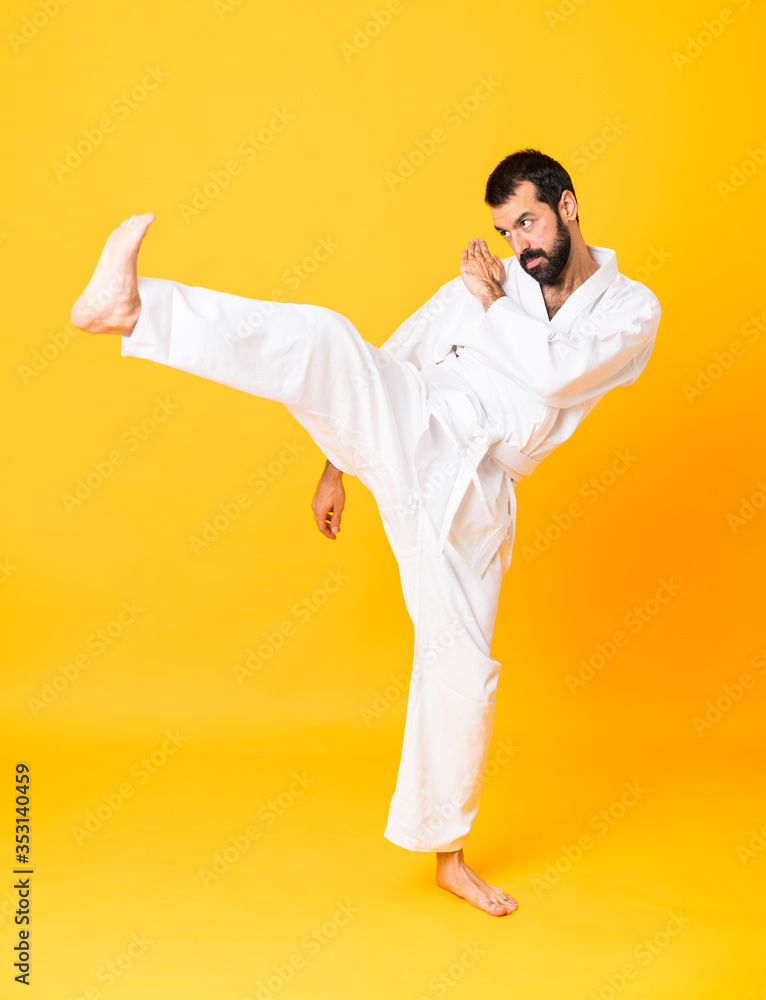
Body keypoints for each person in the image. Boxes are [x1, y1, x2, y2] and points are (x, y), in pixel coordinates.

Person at [70, 148, 661, 917]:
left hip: (479, 490)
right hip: (421, 419)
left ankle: (447, 853)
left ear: (569, 207)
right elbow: (395, 355)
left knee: (461, 668)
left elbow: (554, 378)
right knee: (325, 339)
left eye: (528, 221)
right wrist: (334, 466)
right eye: (506, 229)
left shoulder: (629, 310)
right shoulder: (494, 281)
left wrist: (492, 304)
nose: (520, 244)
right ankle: (138, 309)